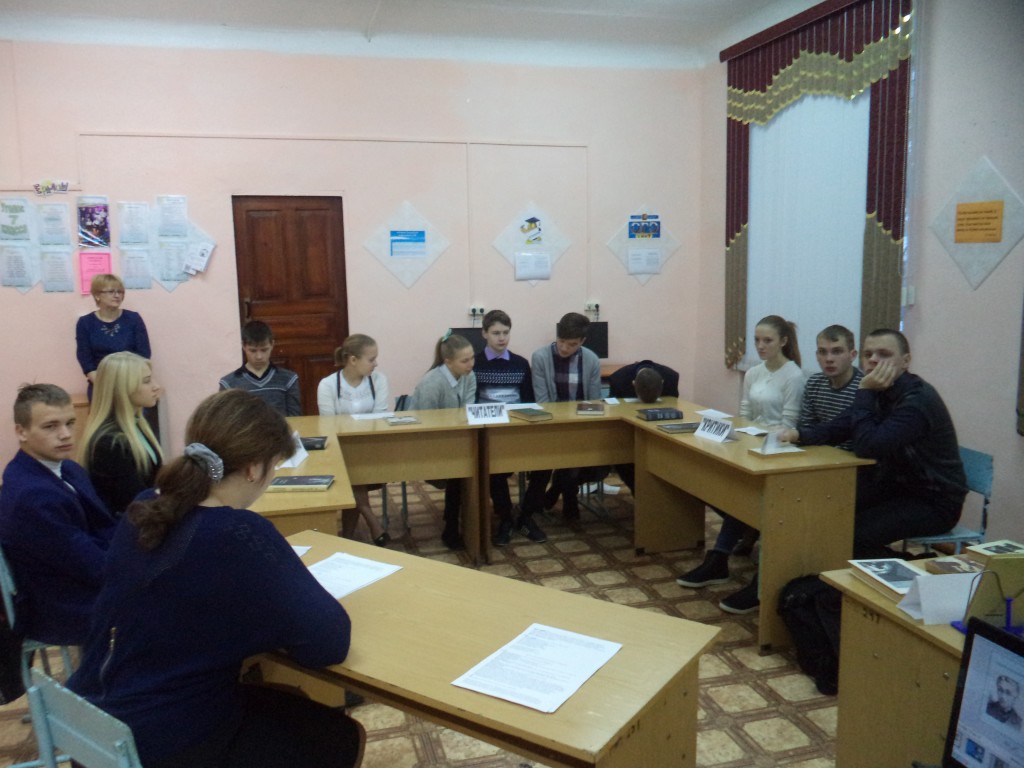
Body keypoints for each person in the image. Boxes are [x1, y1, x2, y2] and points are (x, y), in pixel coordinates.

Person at [67, 390, 365, 768]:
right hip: (163, 744)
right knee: (339, 736)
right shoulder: (238, 531)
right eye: (274, 466)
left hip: (90, 727)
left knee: (283, 701)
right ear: (254, 468)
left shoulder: (144, 505)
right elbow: (329, 643)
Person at [780, 328, 967, 558]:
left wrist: (865, 391)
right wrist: (797, 434)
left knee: (853, 535)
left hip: (934, 501)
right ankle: (812, 569)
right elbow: (840, 426)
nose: (873, 360)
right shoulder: (882, 391)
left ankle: (914, 565)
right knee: (825, 512)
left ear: (905, 361)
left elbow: (867, 446)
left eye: (884, 354)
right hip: (897, 487)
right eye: (868, 355)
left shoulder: (916, 400)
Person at [676, 315, 805, 615]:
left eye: (767, 340)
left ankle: (723, 556)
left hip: (778, 450)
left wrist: (758, 436)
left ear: (783, 341)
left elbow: (790, 423)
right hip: (750, 443)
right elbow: (744, 413)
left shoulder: (794, 375)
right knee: (724, 488)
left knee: (743, 494)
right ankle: (725, 553)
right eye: (757, 340)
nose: (760, 346)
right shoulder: (754, 372)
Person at [0, 384, 116, 645]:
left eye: (70, 423)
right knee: (167, 597)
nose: (65, 434)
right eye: (50, 426)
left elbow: (103, 525)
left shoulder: (69, 469)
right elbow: (93, 567)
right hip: (61, 606)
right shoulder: (32, 495)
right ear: (21, 432)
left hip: (80, 579)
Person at [473, 310, 546, 546]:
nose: (502, 338)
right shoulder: (474, 363)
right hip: (488, 433)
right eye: (496, 333)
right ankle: (505, 518)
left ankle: (525, 516)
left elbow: (529, 402)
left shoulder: (520, 364)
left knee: (545, 463)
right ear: (484, 333)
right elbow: (471, 403)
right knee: (493, 466)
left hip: (517, 430)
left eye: (505, 332)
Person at [526, 312, 602, 522]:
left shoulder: (591, 360)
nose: (564, 348)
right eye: (561, 341)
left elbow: (594, 402)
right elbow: (544, 402)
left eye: (572, 344)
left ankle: (556, 492)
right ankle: (568, 500)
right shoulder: (541, 357)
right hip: (550, 425)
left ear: (582, 341)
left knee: (585, 456)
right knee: (566, 455)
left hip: (580, 425)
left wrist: (579, 422)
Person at [317, 334, 391, 545]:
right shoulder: (328, 385)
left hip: (372, 447)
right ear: (353, 360)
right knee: (352, 469)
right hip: (338, 450)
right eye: (371, 359)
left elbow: (380, 416)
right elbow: (329, 424)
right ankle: (371, 522)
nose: (376, 364)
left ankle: (350, 536)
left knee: (355, 469)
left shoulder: (379, 380)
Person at [409, 332, 476, 550]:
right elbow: (426, 425)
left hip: (456, 441)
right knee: (460, 470)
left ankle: (464, 522)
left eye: (472, 358)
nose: (471, 364)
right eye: (464, 361)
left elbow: (467, 412)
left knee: (471, 466)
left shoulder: (469, 376)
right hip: (428, 445)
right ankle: (451, 526)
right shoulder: (432, 382)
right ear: (448, 362)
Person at [79, 351, 164, 517]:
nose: (156, 386)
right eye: (147, 381)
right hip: (133, 525)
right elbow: (135, 504)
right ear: (123, 389)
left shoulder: (137, 425)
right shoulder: (110, 443)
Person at [75, 273, 152, 399]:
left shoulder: (133, 319)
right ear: (97, 295)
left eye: (120, 292)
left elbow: (144, 355)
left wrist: (128, 384)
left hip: (132, 384)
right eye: (111, 291)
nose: (117, 295)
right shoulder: (85, 323)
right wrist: (106, 386)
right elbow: (86, 361)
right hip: (100, 385)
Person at [219, 320, 301, 417]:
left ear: (272, 345)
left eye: (264, 350)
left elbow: (295, 419)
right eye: (253, 351)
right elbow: (226, 421)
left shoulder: (288, 380)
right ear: (243, 346)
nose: (259, 356)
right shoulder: (228, 384)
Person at [800, 324, 863, 448]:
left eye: (837, 351)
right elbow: (806, 428)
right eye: (822, 352)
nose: (829, 359)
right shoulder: (814, 383)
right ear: (817, 355)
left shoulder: (864, 387)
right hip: (817, 452)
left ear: (852, 355)